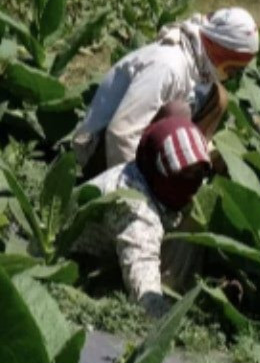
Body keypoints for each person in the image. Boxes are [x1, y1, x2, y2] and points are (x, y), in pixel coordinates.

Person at [72, 8, 258, 175]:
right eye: (233, 67)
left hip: (132, 141)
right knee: (177, 112)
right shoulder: (168, 66)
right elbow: (120, 134)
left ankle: (190, 162)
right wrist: (135, 192)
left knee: (218, 97)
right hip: (101, 152)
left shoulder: (198, 60)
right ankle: (164, 177)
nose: (233, 75)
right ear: (220, 50)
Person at [71, 102, 213, 317]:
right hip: (77, 264)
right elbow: (145, 296)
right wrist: (167, 319)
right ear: (161, 171)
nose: (193, 184)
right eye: (184, 175)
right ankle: (182, 294)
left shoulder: (148, 172)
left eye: (198, 173)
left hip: (118, 247)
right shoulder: (136, 211)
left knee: (195, 216)